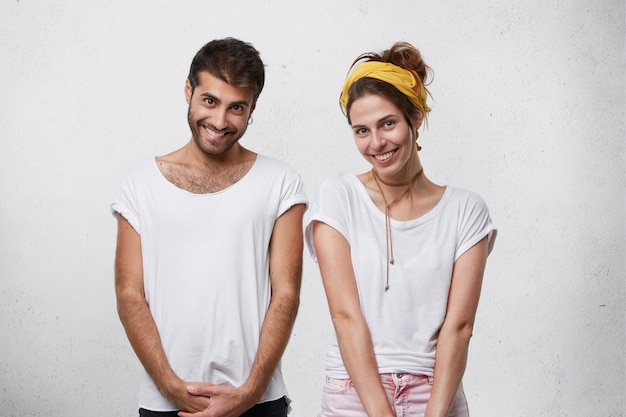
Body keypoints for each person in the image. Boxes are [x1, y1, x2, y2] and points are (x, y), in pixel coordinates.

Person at [112, 37, 307, 417]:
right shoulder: (139, 184)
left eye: (237, 108)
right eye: (210, 101)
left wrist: (250, 392)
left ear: (253, 108)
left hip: (257, 402)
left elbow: (286, 293)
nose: (220, 122)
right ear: (189, 90)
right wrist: (170, 386)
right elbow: (129, 293)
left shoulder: (280, 182)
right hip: (166, 402)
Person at [304, 42, 497, 417]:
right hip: (353, 393)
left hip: (436, 391)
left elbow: (459, 327)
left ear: (416, 117)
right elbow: (345, 316)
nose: (376, 143)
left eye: (388, 123)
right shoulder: (337, 198)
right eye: (362, 130)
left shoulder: (466, 210)